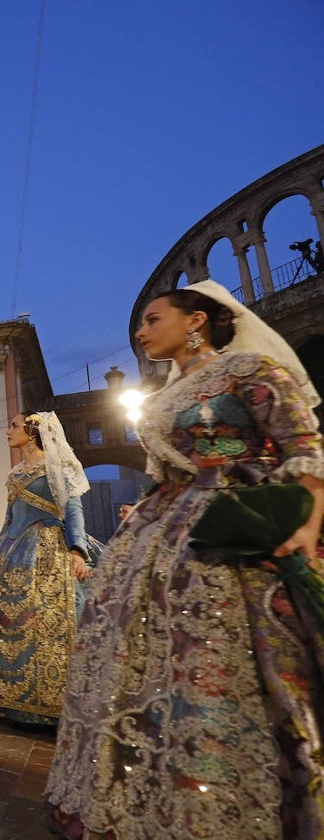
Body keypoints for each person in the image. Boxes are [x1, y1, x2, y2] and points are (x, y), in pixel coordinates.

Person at [46, 280, 324, 839]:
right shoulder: (167, 395)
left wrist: (307, 526)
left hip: (232, 527)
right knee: (134, 654)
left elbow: (304, 449)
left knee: (218, 653)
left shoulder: (251, 371)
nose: (142, 333)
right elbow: (164, 468)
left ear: (196, 319)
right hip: (158, 530)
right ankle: (142, 785)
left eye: (152, 320)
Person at [0, 411, 90, 725]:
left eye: (14, 426)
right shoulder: (14, 474)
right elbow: (10, 519)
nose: (8, 431)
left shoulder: (58, 466)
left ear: (33, 430)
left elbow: (73, 508)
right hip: (10, 548)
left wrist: (77, 548)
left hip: (48, 547)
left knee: (44, 618)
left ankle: (49, 698)